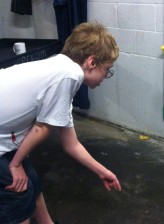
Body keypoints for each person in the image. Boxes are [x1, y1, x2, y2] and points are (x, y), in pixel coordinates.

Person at [0, 21, 122, 224]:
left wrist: (103, 172)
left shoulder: (60, 68)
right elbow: (42, 128)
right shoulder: (69, 75)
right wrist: (16, 163)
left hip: (6, 136)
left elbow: (71, 144)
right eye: (107, 69)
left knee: (32, 180)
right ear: (92, 62)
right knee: (18, 192)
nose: (105, 77)